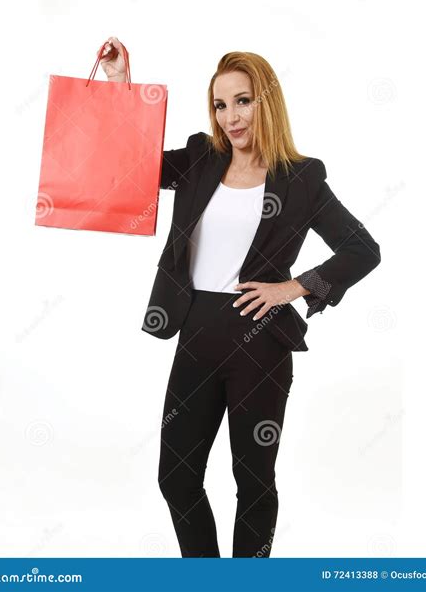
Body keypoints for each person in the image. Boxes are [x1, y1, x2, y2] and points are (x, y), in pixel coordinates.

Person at [100, 37, 381, 557]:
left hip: (259, 345)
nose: (231, 116)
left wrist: (293, 288)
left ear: (266, 101)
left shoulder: (303, 178)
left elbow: (363, 249)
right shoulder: (201, 160)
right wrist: (121, 87)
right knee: (176, 478)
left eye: (243, 100)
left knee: (253, 484)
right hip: (196, 334)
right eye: (220, 104)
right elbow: (134, 164)